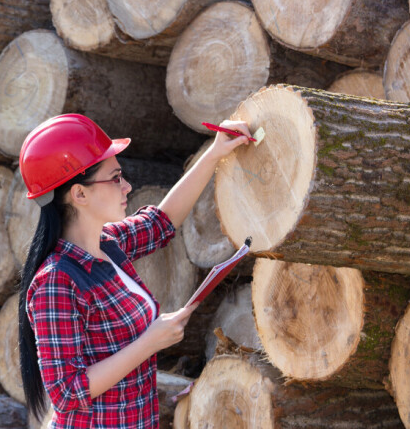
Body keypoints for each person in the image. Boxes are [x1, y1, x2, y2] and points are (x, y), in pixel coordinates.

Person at [18, 113, 251, 428]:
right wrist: (149, 342)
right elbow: (67, 392)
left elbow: (161, 223)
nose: (127, 186)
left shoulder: (109, 244)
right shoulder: (57, 280)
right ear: (79, 194)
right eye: (115, 178)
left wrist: (215, 152)